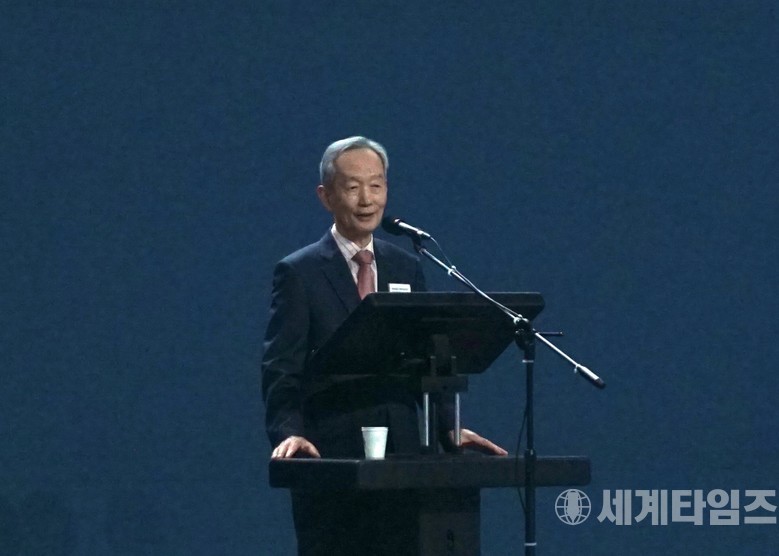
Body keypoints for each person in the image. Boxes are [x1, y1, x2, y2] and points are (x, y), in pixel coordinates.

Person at [261, 136, 506, 555]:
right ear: (326, 196)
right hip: (333, 454)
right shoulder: (300, 272)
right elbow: (281, 367)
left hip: (406, 454)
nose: (366, 199)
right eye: (353, 187)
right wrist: (291, 432)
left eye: (376, 186)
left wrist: (447, 427)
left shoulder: (406, 265)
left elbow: (426, 355)